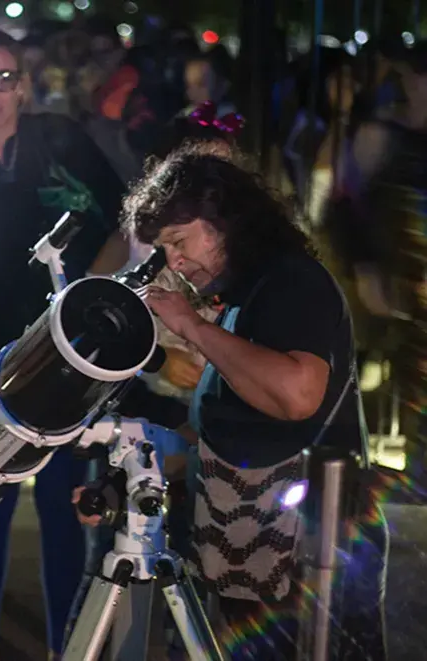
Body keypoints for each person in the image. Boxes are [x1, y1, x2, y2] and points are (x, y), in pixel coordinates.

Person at [74, 142, 387, 660]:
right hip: (260, 561)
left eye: (180, 240)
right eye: (164, 249)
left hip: (313, 560)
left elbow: (297, 395)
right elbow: (217, 433)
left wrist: (191, 327)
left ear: (226, 218)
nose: (174, 261)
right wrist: (121, 483)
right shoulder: (242, 296)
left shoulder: (291, 281)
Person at [0, 29, 126, 661]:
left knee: (65, 515)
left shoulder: (59, 138)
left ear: (24, 83)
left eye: (5, 77)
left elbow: (126, 211)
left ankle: (67, 647)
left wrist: (95, 293)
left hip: (66, 360)